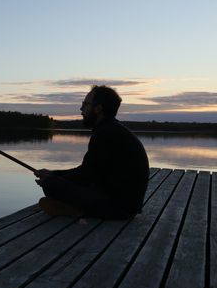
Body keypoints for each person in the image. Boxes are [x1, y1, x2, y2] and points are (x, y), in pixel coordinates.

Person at [34, 85, 149, 219]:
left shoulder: (105, 133)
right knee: (53, 181)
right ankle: (73, 208)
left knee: (50, 185)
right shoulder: (111, 129)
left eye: (85, 104)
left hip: (119, 208)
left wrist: (53, 178)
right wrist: (53, 174)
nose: (81, 109)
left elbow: (86, 175)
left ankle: (77, 210)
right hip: (124, 203)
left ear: (98, 108)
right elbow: (89, 171)